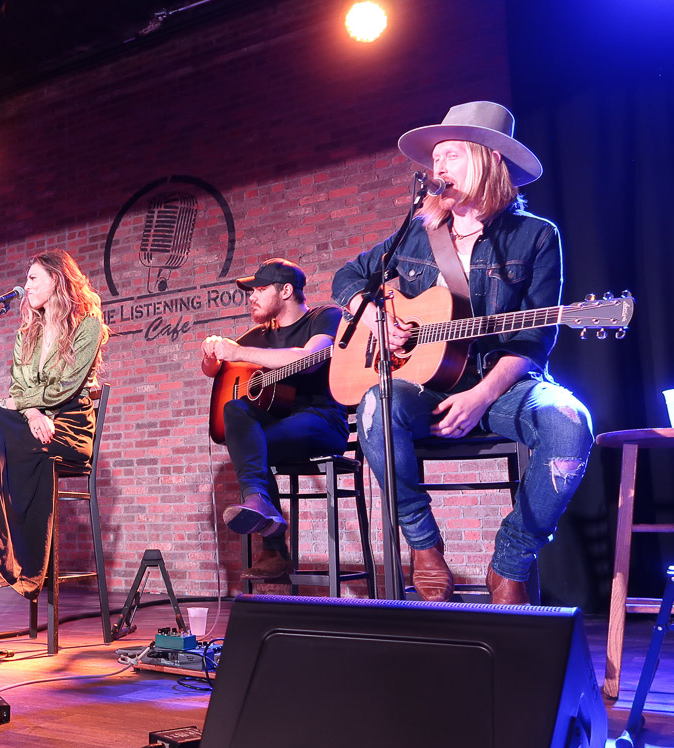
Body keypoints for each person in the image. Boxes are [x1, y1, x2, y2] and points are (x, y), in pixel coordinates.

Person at [331, 101, 593, 605]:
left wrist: (481, 394)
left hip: (503, 387)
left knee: (569, 420)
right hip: (423, 388)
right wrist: (375, 319)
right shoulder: (416, 232)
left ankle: (509, 564)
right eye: (435, 159)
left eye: (451, 154)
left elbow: (535, 337)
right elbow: (348, 278)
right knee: (373, 408)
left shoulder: (536, 236)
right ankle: (425, 548)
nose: (438, 168)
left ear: (488, 159)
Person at [0, 249, 109, 597]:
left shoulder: (88, 325)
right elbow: (19, 386)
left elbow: (66, 385)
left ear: (56, 279)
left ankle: (4, 560)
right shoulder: (28, 333)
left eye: (33, 278)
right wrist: (32, 412)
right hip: (36, 424)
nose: (25, 286)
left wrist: (18, 403)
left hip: (70, 429)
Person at [201, 258, 349, 580]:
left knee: (249, 448)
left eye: (259, 289)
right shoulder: (259, 335)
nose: (251, 297)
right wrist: (212, 356)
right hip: (281, 426)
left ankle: (272, 548)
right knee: (234, 410)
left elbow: (307, 359)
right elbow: (218, 371)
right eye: (250, 291)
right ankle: (260, 506)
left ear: (285, 291)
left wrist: (238, 352)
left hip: (323, 421)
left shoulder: (325, 317)